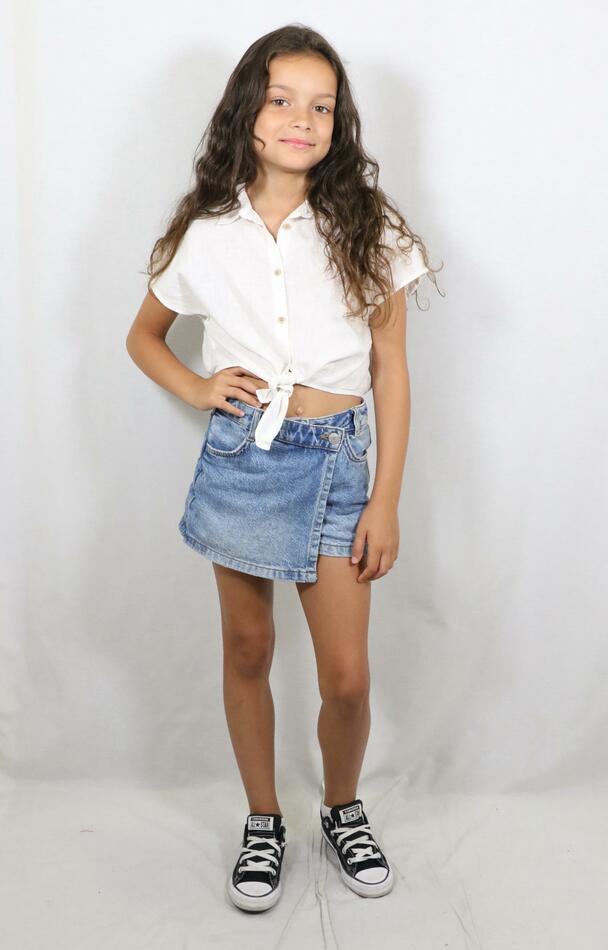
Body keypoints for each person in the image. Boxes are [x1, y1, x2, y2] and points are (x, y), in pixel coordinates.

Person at [126, 24, 441, 914]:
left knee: (347, 676)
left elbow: (390, 370)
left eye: (322, 106)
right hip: (243, 461)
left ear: (339, 123)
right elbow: (142, 337)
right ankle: (263, 819)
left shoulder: (370, 227)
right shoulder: (204, 232)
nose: (303, 119)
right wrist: (198, 386)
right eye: (281, 100)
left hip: (339, 463)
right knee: (248, 648)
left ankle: (342, 807)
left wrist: (386, 500)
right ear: (247, 111)